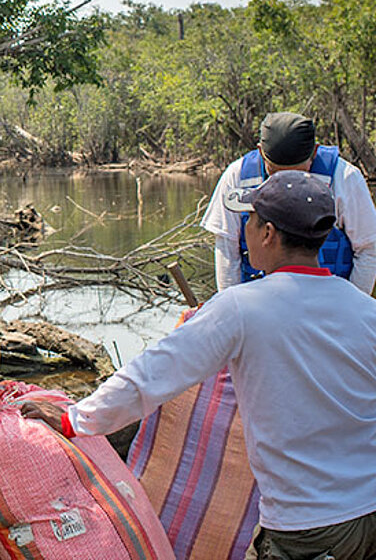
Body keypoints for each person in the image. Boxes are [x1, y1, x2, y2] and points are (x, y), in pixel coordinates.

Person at [23, 171, 376, 560]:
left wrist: (76, 419)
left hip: (306, 528)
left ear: (268, 233)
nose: (245, 230)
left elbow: (152, 375)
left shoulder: (241, 308)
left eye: (250, 220)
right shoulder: (365, 310)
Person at [202, 111, 376, 293]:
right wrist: (232, 308)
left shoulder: (345, 178)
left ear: (314, 152)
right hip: (259, 305)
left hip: (329, 303)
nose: (286, 182)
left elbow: (369, 248)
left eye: (297, 173)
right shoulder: (238, 177)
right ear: (261, 152)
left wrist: (350, 308)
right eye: (276, 172)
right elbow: (227, 249)